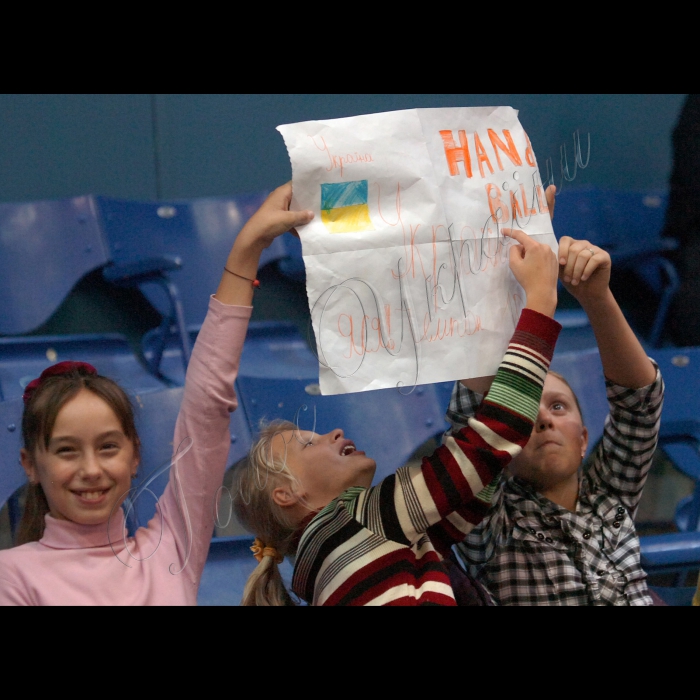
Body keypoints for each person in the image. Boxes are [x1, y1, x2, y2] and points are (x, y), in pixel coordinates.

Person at [0, 184, 313, 606]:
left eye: (108, 447)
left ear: (134, 457)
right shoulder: (12, 576)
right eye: (67, 451)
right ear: (30, 464)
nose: (91, 469)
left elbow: (207, 405)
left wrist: (248, 248)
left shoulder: (170, 547)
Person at [232, 227, 562, 606]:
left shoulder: (333, 558)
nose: (334, 433)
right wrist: (539, 302)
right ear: (288, 495)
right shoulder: (360, 520)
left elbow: (472, 489)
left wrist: (507, 279)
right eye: (309, 443)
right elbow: (490, 443)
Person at [448, 231, 664, 605]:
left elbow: (639, 405)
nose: (543, 420)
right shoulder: (490, 527)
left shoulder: (609, 495)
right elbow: (471, 424)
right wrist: (532, 292)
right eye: (526, 413)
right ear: (500, 447)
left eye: (558, 406)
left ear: (583, 439)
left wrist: (596, 297)